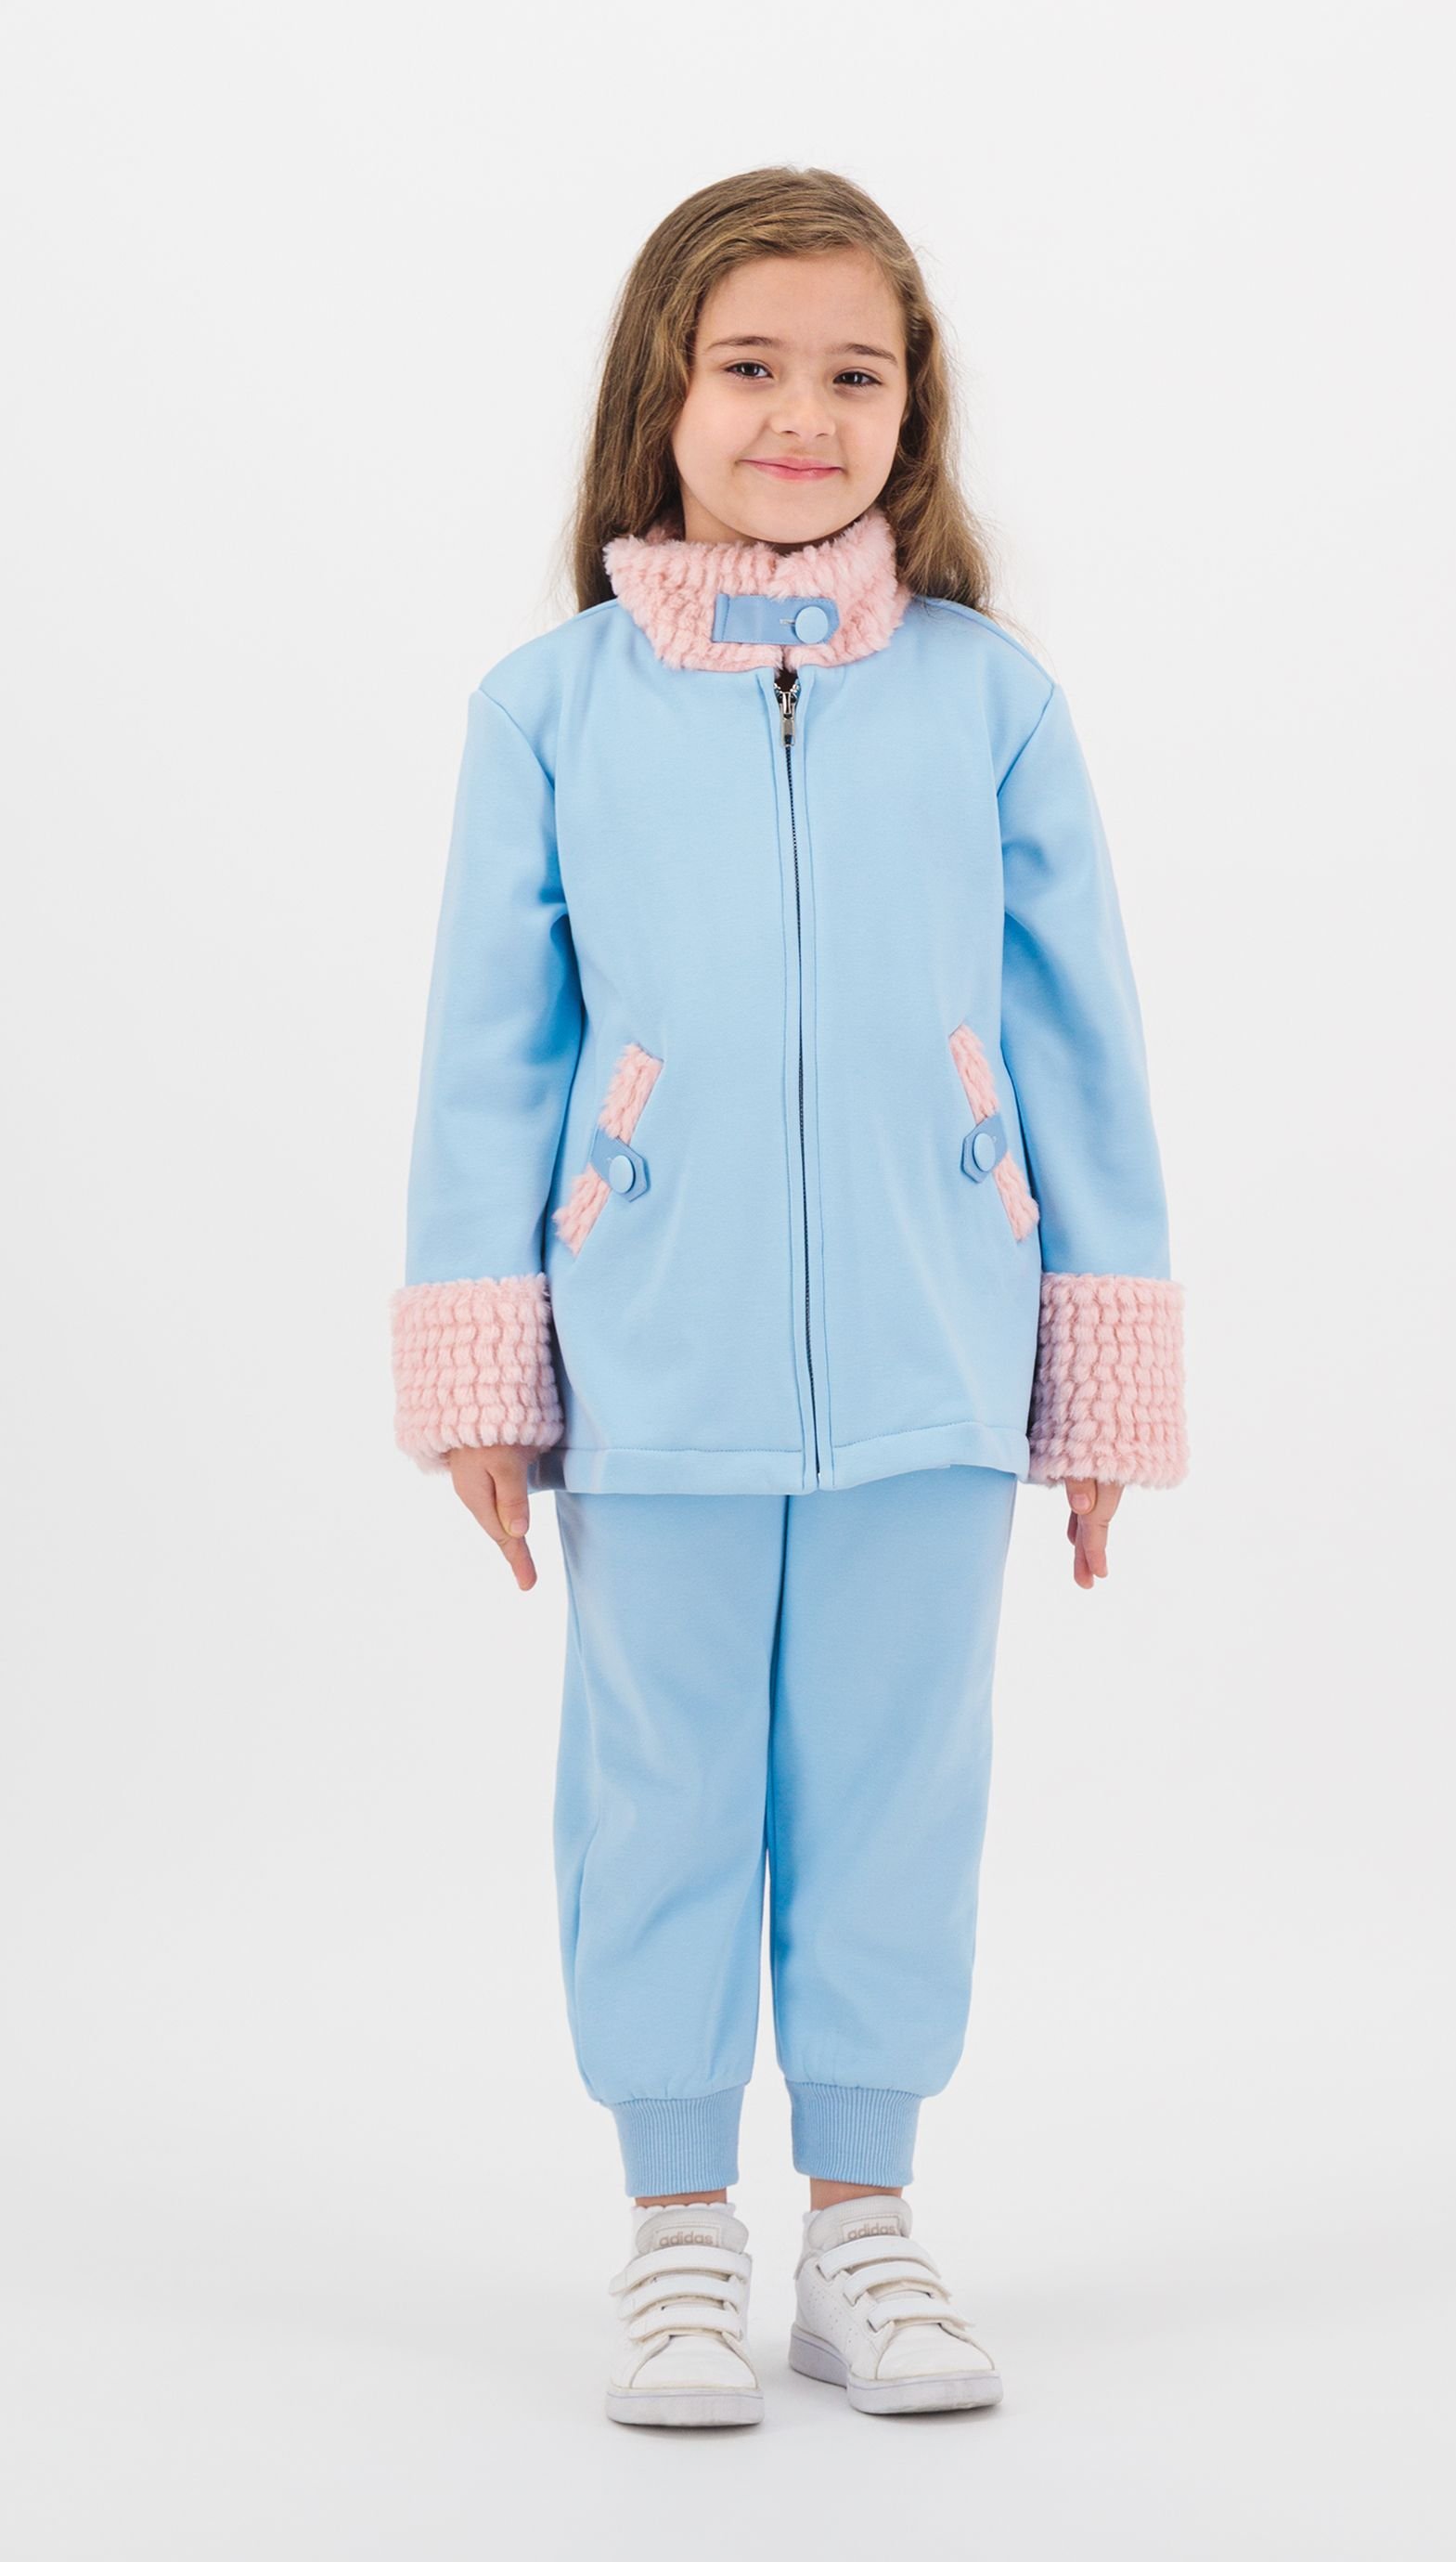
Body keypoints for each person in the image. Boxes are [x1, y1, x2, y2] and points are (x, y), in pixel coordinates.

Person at [392, 165, 1185, 2426]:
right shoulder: (547, 712)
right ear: (662, 392)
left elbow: (1080, 1043)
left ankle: (864, 2229)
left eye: (856, 374)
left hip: (939, 1358)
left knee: (896, 1789)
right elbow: (490, 1050)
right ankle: (674, 2231)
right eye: (751, 367)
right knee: (659, 1788)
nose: (801, 417)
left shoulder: (989, 704)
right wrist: (483, 1361)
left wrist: (1100, 1382)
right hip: (655, 1356)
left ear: (915, 414)